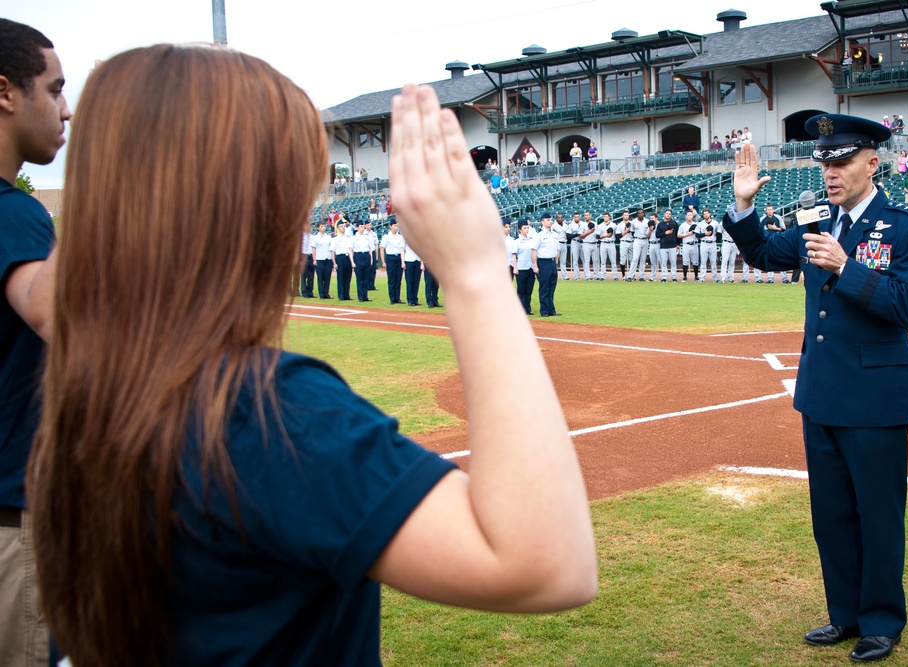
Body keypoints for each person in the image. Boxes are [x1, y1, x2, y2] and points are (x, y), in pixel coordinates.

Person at [28, 52, 597, 667]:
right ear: (258, 207)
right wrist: (475, 272)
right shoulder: (263, 416)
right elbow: (546, 565)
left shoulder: (89, 384)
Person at [723, 114, 908, 664]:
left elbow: (907, 308)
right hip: (820, 395)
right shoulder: (818, 220)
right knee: (832, 515)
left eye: (841, 162)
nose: (831, 173)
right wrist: (744, 207)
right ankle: (844, 614)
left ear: (872, 162)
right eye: (824, 162)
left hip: (875, 401)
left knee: (878, 515)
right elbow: (766, 254)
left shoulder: (907, 225)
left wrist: (847, 268)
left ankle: (882, 621)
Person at [0, 18, 71, 667]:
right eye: (54, 89)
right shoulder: (14, 212)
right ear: (6, 92)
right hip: (12, 515)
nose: (66, 109)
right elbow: (61, 318)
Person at [535, 213, 561, 316]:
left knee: (552, 287)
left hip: (552, 262)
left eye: (550, 219)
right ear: (542, 221)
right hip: (543, 262)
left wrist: (556, 262)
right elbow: (533, 251)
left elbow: (557, 249)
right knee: (544, 287)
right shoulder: (539, 235)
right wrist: (535, 265)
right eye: (547, 220)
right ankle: (544, 310)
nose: (550, 221)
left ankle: (551, 310)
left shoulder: (555, 234)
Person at [512, 219, 538, 313]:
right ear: (520, 229)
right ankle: (521, 309)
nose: (527, 229)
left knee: (529, 290)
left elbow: (534, 253)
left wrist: (535, 266)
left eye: (527, 227)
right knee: (521, 290)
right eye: (524, 228)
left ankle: (528, 308)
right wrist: (515, 267)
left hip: (530, 267)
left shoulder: (531, 240)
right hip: (521, 268)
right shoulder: (517, 241)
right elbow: (514, 255)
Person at [379, 219, 405, 303]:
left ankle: (397, 298)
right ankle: (392, 298)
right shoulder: (386, 237)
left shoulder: (400, 237)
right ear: (390, 226)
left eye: (397, 226)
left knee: (398, 279)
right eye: (394, 226)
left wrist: (402, 261)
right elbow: (382, 249)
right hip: (390, 258)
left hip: (398, 258)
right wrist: (383, 261)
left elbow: (402, 249)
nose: (396, 227)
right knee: (391, 279)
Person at [695, 208, 720, 283]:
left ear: (710, 214)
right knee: (703, 261)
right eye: (704, 214)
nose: (706, 215)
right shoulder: (700, 224)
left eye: (707, 213)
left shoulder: (715, 223)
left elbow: (718, 234)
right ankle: (702, 278)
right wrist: (704, 234)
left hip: (712, 243)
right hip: (704, 242)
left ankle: (715, 278)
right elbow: (697, 235)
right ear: (703, 215)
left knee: (713, 262)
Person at [655, 208, 679, 282]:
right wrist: (665, 233)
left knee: (673, 262)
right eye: (667, 213)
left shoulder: (674, 223)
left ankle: (674, 277)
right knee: (663, 262)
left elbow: (677, 234)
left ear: (671, 215)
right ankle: (664, 277)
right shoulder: (660, 224)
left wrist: (678, 243)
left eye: (669, 214)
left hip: (672, 245)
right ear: (664, 214)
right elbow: (657, 235)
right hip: (663, 246)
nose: (668, 215)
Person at [310, 222, 333, 299]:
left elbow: (331, 248)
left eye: (324, 226)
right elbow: (313, 249)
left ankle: (326, 293)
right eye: (322, 226)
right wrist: (314, 259)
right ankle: (322, 294)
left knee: (327, 277)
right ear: (318, 228)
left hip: (328, 258)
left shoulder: (328, 237)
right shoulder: (315, 237)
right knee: (320, 277)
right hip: (319, 258)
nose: (323, 227)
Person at [332, 221, 354, 300]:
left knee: (348, 277)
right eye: (341, 226)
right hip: (340, 257)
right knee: (341, 277)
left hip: (348, 257)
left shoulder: (349, 238)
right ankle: (341, 295)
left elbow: (351, 249)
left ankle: (346, 295)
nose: (343, 228)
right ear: (338, 228)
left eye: (344, 226)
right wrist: (334, 263)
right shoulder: (335, 239)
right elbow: (332, 251)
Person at [677, 210, 700, 282]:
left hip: (694, 243)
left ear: (693, 216)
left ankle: (696, 276)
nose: (689, 216)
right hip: (686, 244)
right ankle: (684, 276)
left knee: (695, 261)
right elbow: (678, 235)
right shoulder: (683, 225)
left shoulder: (696, 224)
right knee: (685, 261)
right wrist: (687, 234)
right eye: (688, 215)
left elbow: (699, 235)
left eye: (691, 215)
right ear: (686, 216)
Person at [402, 235, 422, 306]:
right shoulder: (405, 238)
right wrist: (402, 262)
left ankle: (415, 299)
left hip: (417, 260)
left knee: (416, 281)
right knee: (410, 281)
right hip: (409, 260)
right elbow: (402, 250)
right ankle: (410, 299)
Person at [597, 212, 617, 280]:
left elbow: (617, 234)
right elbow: (597, 236)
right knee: (603, 261)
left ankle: (615, 276)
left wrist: (610, 235)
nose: (605, 218)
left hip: (611, 243)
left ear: (609, 217)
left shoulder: (614, 225)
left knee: (613, 261)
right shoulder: (600, 226)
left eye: (606, 216)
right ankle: (603, 276)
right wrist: (605, 235)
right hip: (603, 243)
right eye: (604, 216)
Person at [579, 211, 599, 280]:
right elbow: (580, 236)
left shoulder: (595, 224)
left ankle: (596, 276)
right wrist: (588, 232)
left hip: (594, 243)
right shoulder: (582, 225)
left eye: (587, 215)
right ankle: (588, 276)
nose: (586, 216)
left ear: (590, 216)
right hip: (586, 243)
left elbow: (598, 234)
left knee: (595, 260)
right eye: (585, 215)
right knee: (586, 261)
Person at [299, 223, 315, 297]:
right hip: (304, 255)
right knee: (303, 275)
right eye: (306, 225)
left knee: (311, 275)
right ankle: (304, 291)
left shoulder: (312, 237)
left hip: (311, 255)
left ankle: (310, 291)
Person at [617, 211, 633, 279]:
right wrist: (626, 231)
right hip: (623, 242)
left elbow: (634, 233)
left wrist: (630, 231)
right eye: (625, 215)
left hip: (631, 241)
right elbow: (618, 235)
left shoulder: (632, 223)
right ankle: (623, 276)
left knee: (632, 259)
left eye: (627, 215)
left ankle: (632, 275)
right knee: (623, 259)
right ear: (622, 216)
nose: (626, 216)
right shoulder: (620, 224)